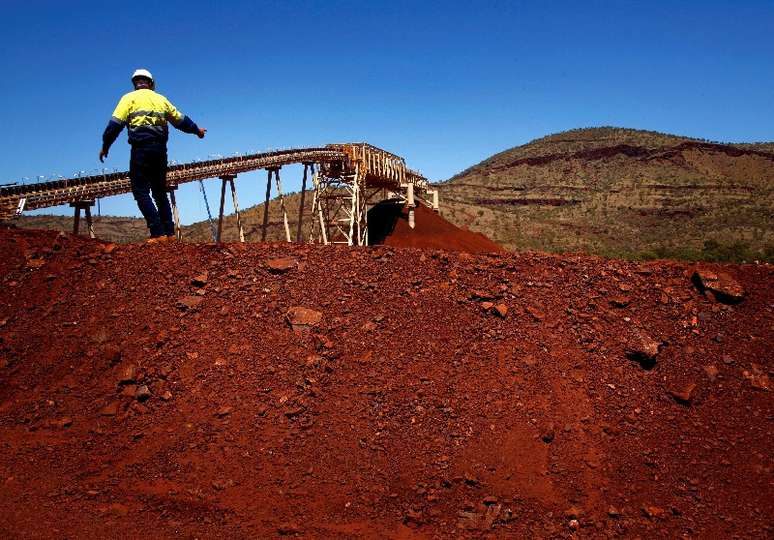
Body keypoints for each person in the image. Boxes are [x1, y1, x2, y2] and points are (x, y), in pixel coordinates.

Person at [99, 69, 206, 240]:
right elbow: (180, 120)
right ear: (151, 83)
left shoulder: (128, 99)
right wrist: (197, 130)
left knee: (140, 191)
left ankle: (157, 233)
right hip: (160, 150)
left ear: (135, 83)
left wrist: (106, 146)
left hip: (140, 149)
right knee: (159, 191)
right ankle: (170, 233)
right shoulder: (160, 99)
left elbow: (114, 126)